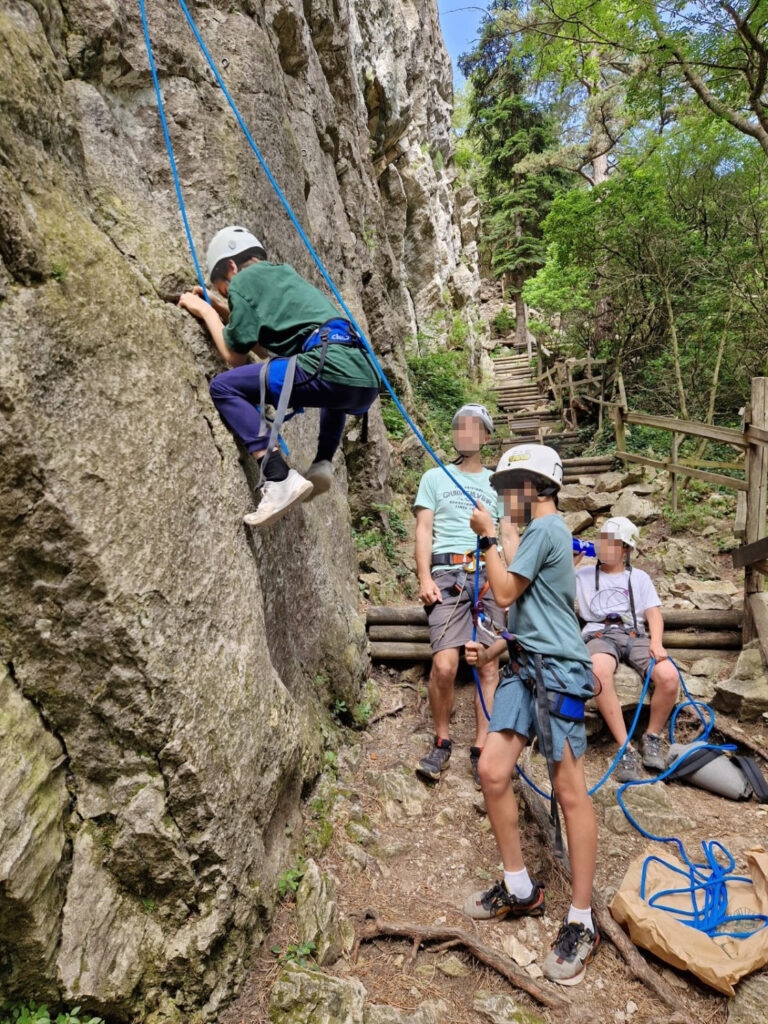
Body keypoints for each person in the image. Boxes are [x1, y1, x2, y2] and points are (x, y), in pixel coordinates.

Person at [461, 444, 600, 987]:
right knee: (493, 771)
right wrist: (496, 651)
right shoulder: (540, 534)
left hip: (559, 670)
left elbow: (501, 589)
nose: (502, 499)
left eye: (507, 489)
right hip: (523, 666)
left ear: (536, 487)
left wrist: (488, 536)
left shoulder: (548, 529)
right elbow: (528, 609)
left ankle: (583, 922)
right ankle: (520, 888)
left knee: (569, 790)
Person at [178, 226, 380, 528]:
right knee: (330, 392)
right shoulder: (282, 276)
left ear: (231, 266)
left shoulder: (243, 279)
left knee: (223, 387)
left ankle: (278, 476)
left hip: (327, 364)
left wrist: (205, 311)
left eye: (222, 287)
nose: (226, 293)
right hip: (362, 376)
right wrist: (222, 309)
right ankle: (323, 460)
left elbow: (234, 356)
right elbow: (262, 348)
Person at [413, 404, 509, 787]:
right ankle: (441, 739)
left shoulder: (501, 482)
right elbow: (423, 530)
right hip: (448, 573)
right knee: (445, 666)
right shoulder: (434, 477)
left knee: (488, 665)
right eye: (459, 427)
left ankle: (482, 747)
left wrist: (513, 586)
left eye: (473, 428)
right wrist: (424, 576)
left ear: (486, 437)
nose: (464, 433)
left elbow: (510, 535)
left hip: (489, 573)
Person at [575, 516, 679, 782]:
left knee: (668, 676)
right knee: (598, 670)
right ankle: (625, 747)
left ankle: (652, 735)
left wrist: (656, 642)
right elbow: (555, 586)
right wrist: (574, 559)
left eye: (612, 543)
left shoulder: (639, 578)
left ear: (626, 550)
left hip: (635, 634)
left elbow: (653, 615)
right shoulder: (583, 575)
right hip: (598, 633)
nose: (604, 546)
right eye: (602, 540)